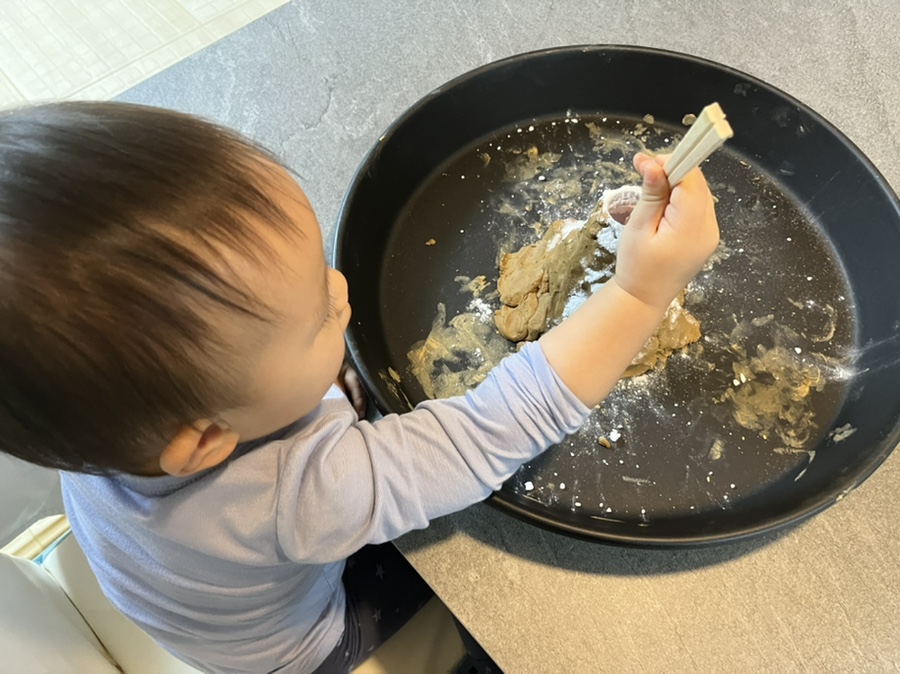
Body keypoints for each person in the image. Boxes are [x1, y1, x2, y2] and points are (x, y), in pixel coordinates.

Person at [0, 102, 719, 673]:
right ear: (209, 440)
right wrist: (636, 294)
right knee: (507, 610)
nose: (342, 290)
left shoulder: (98, 416)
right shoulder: (285, 496)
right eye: (319, 317)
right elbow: (489, 432)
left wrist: (313, 361)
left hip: (178, 589)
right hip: (300, 648)